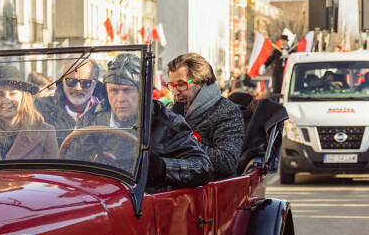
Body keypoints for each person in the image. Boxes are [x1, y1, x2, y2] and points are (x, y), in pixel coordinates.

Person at [78, 54, 211, 192]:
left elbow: (202, 167)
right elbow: (70, 160)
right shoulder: (89, 119)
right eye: (113, 90)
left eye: (127, 90)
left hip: (145, 202)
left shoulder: (166, 122)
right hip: (95, 195)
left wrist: (161, 167)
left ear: (142, 92)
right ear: (106, 91)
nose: (120, 98)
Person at [166, 52, 244, 179]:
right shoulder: (168, 111)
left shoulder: (227, 111)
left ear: (201, 82)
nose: (175, 92)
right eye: (171, 85)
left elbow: (227, 162)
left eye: (181, 84)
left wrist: (183, 140)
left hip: (208, 191)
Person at [0, 65, 58, 162]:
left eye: (13, 93)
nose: (7, 100)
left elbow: (51, 174)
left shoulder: (45, 132)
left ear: (24, 97)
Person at [35, 57, 102, 142]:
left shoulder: (106, 112)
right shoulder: (40, 109)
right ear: (63, 81)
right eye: (71, 81)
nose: (78, 88)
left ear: (95, 84)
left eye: (86, 83)